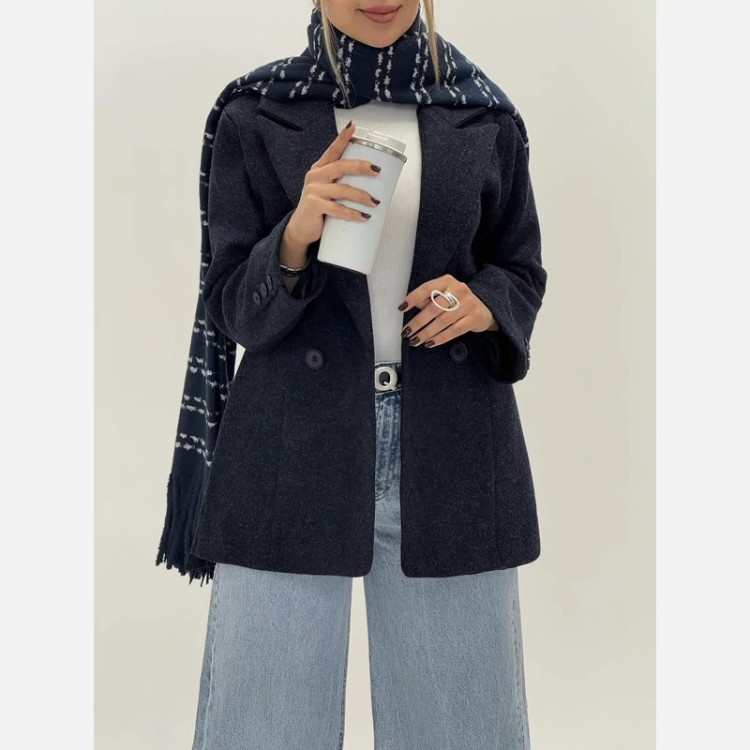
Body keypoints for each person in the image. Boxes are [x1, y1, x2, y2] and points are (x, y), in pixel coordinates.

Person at [161, 1, 547, 747]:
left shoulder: (485, 112)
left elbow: (521, 269)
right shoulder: (254, 111)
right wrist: (296, 234)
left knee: (462, 728)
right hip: (288, 444)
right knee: (263, 726)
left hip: (454, 448)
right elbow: (232, 309)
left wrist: (483, 304)